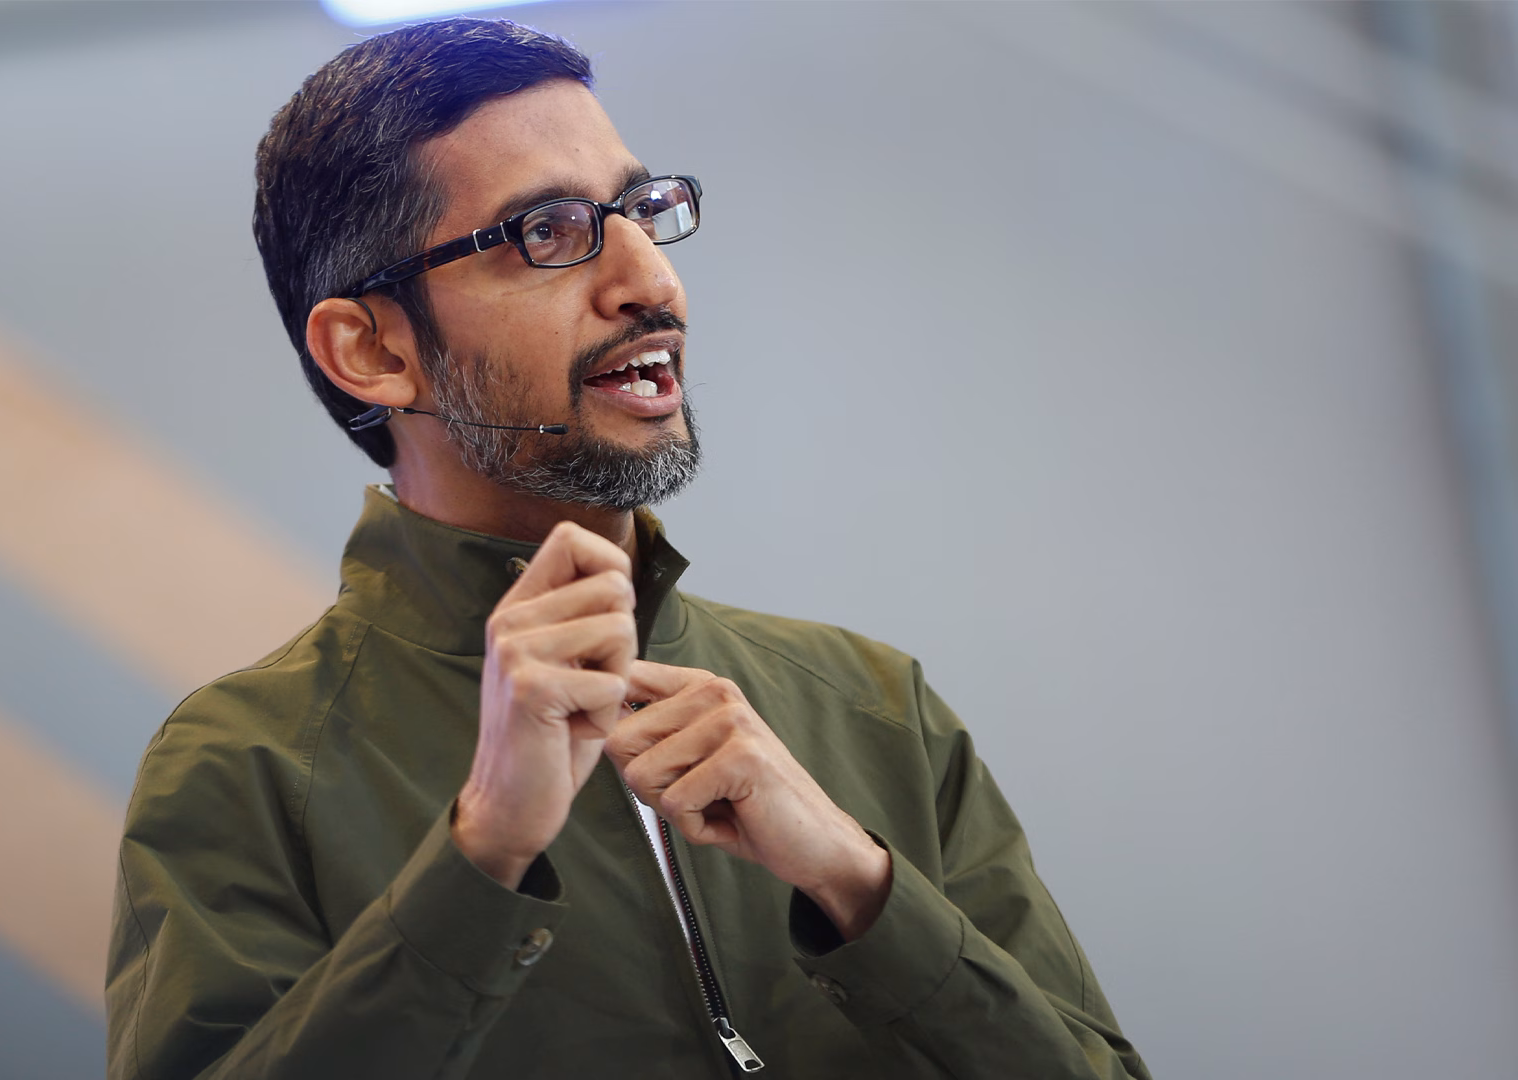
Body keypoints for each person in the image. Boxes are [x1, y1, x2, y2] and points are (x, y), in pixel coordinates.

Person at [106, 18, 1149, 1080]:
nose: (651, 281)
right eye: (547, 233)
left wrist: (856, 883)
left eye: (643, 210)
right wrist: (483, 854)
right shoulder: (246, 763)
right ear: (372, 349)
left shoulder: (879, 710)